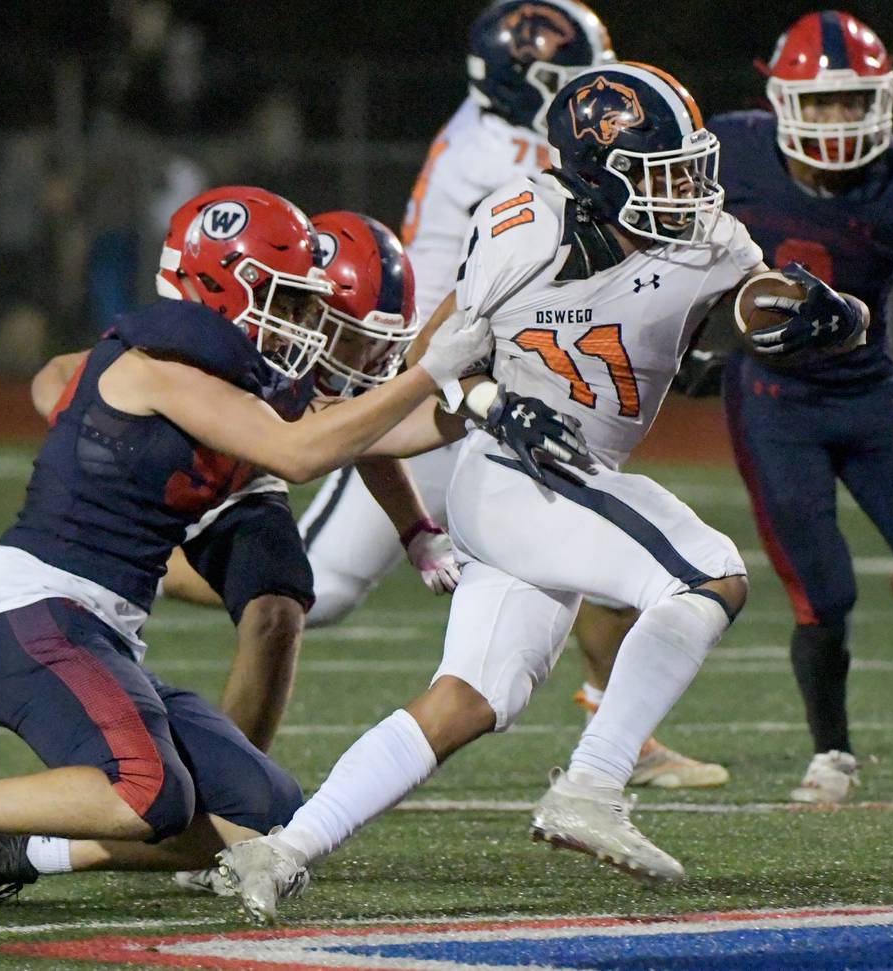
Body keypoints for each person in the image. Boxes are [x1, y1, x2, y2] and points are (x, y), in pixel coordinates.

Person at [215, 62, 872, 923]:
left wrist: (827, 310)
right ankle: (593, 784)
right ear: (598, 173)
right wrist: (497, 404)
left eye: (689, 166)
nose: (688, 189)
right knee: (708, 572)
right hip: (515, 472)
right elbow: (441, 366)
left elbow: (752, 299)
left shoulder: (706, 235)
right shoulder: (527, 227)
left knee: (469, 700)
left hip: (555, 481)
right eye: (661, 172)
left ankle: (284, 848)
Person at [0, 185, 577, 914]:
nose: (301, 317)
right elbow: (304, 453)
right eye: (284, 294)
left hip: (105, 630)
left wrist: (492, 397)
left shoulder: (229, 374)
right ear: (223, 286)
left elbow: (374, 431)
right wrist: (428, 376)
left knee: (273, 821)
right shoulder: (166, 368)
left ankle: (30, 845)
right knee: (149, 792)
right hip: (35, 608)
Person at [295, 0, 729, 790]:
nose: (596, 92)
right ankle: (123, 570)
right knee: (309, 586)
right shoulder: (501, 165)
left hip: (495, 366)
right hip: (434, 371)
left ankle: (619, 729)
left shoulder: (497, 123)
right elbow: (485, 312)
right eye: (572, 80)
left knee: (618, 537)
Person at [0, 209, 453, 756]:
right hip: (166, 480)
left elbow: (364, 433)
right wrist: (106, 450)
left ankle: (235, 786)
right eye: (354, 342)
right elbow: (60, 376)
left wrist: (415, 527)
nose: (366, 363)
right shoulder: (217, 342)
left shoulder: (308, 359)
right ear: (306, 307)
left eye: (379, 347)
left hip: (239, 482)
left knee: (280, 606)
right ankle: (15, 626)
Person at [714, 11, 893, 803]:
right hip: (774, 400)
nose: (841, 119)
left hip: (870, 396)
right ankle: (832, 751)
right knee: (824, 592)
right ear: (780, 100)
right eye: (823, 101)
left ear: (881, 100)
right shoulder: (730, 156)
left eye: (854, 101)